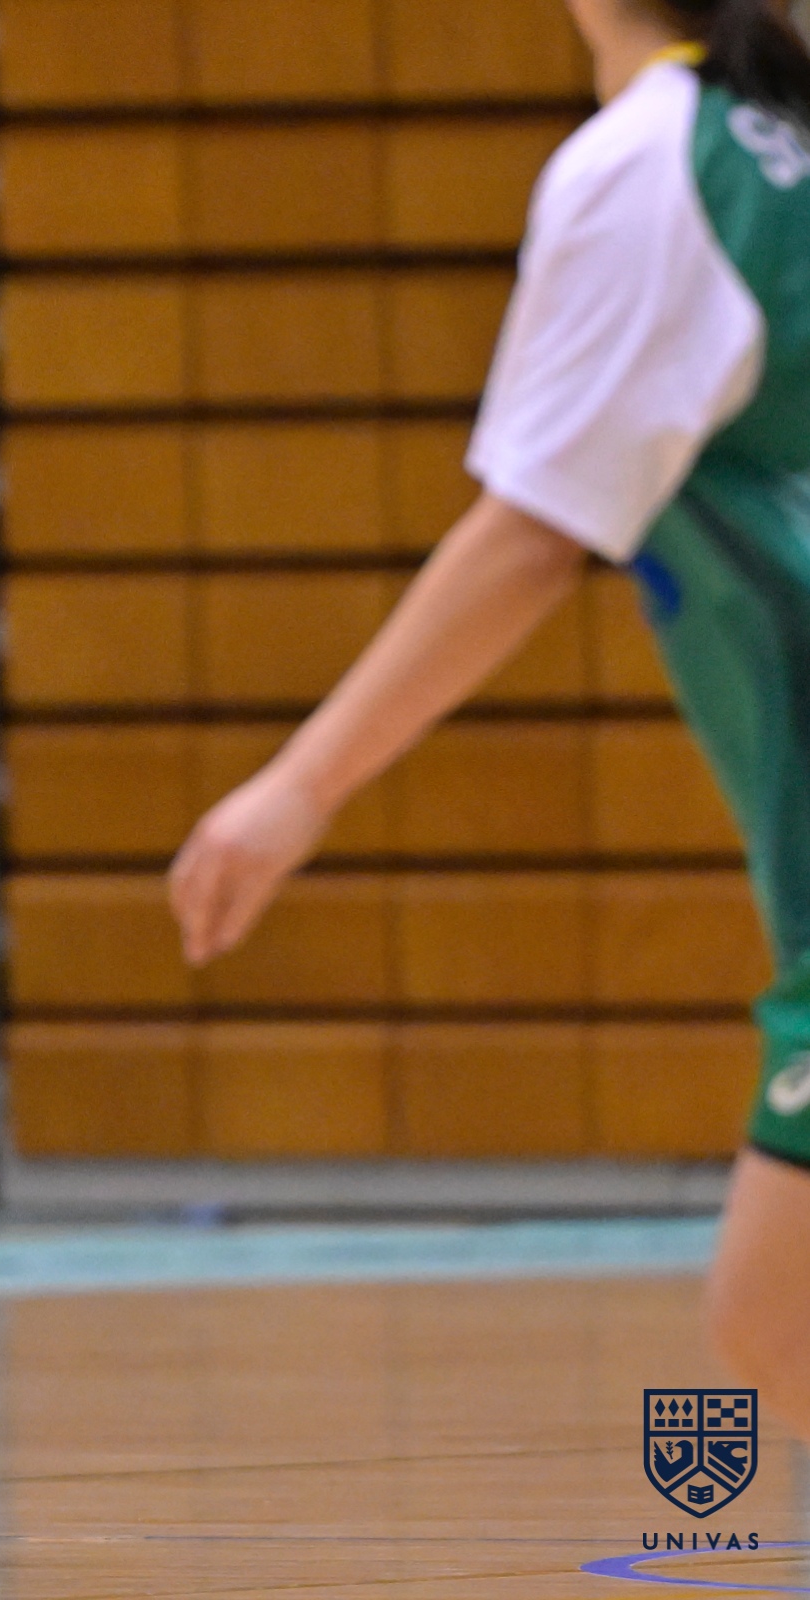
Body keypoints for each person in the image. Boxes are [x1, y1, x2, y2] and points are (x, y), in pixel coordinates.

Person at [168, 0, 810, 1433]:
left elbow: (529, 533)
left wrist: (299, 786)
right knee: (777, 1314)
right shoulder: (766, 146)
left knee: (775, 1315)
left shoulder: (653, 165)